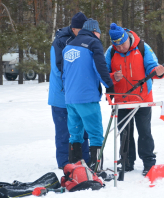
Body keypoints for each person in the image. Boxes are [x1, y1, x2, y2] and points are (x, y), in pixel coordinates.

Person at [105, 23, 164, 176]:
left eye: (122, 44)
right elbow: (104, 73)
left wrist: (158, 72)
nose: (120, 48)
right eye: (116, 46)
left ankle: (148, 163)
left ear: (127, 39)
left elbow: (152, 67)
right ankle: (126, 162)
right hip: (121, 99)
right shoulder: (110, 52)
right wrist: (113, 77)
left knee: (144, 131)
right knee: (124, 132)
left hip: (142, 98)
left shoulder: (143, 47)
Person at [62, 18, 114, 171]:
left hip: (70, 98)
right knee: (96, 134)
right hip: (86, 97)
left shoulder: (68, 46)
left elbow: (63, 74)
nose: (99, 37)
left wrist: (68, 92)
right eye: (99, 33)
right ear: (94, 31)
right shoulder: (93, 43)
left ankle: (75, 169)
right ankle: (96, 169)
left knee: (75, 134)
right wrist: (109, 86)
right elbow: (100, 67)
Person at [48, 12, 90, 169]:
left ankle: (84, 161)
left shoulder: (83, 39)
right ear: (74, 28)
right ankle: (65, 163)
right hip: (61, 95)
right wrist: (72, 88)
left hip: (77, 95)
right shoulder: (60, 42)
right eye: (81, 30)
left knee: (82, 129)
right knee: (64, 132)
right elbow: (60, 69)